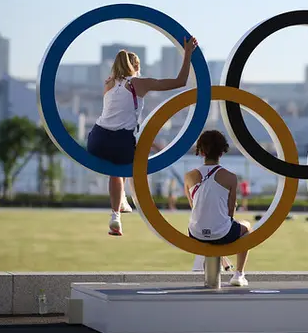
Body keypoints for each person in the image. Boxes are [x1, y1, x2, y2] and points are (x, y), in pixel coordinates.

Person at [86, 37, 198, 236]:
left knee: (116, 168)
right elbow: (180, 82)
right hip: (121, 142)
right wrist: (188, 53)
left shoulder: (109, 84)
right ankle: (119, 208)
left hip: (97, 139)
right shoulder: (139, 83)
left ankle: (117, 213)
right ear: (136, 66)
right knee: (126, 162)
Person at [185, 130, 251, 287]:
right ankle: (239, 274)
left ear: (201, 151)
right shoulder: (230, 177)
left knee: (213, 226)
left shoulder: (189, 176)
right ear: (222, 152)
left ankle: (222, 262)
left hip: (195, 234)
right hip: (222, 234)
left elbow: (193, 206)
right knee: (246, 226)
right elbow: (230, 212)